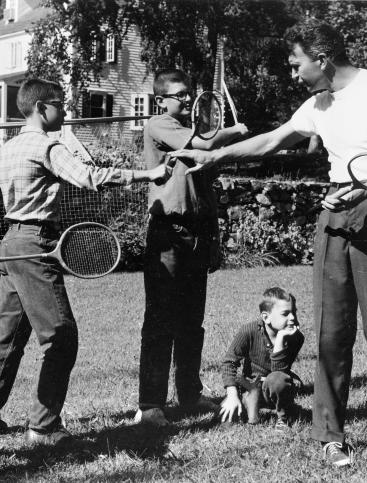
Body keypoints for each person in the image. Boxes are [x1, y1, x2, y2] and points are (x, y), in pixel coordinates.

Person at [172, 19, 367, 466]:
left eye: (295, 64)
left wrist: (365, 189)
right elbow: (271, 141)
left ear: (321, 59)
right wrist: (213, 156)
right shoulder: (317, 104)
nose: (293, 74)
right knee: (332, 332)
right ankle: (331, 434)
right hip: (335, 217)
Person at [0, 78, 168, 446]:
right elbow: (90, 177)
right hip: (36, 245)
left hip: (11, 245)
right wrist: (147, 173)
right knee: (61, 336)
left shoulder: (6, 149)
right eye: (60, 104)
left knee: (7, 337)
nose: (67, 111)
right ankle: (43, 427)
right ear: (41, 108)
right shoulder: (48, 146)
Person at [135, 69, 249, 426]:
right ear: (161, 100)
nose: (186, 99)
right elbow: (204, 142)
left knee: (191, 323)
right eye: (180, 94)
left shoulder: (191, 133)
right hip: (167, 236)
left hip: (196, 235)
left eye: (189, 94)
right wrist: (235, 131)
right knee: (160, 322)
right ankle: (150, 405)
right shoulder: (159, 124)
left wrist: (213, 241)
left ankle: (189, 394)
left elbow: (204, 192)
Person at [219, 287, 304, 430]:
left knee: (278, 380)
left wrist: (280, 341)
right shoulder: (248, 331)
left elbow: (279, 372)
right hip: (250, 387)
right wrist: (232, 395)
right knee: (226, 418)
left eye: (294, 312)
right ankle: (248, 406)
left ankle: (283, 416)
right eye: (285, 314)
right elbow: (229, 362)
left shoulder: (296, 338)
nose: (292, 318)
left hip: (274, 387)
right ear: (266, 317)